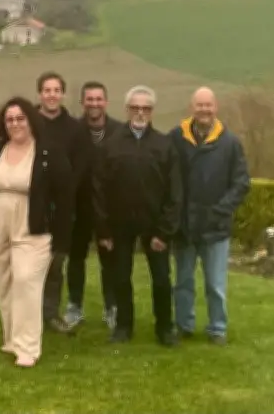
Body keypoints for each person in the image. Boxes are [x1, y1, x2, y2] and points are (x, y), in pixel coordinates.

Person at [0, 97, 73, 367]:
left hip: (34, 225)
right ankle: (12, 338)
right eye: (9, 119)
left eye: (20, 118)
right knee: (5, 279)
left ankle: (28, 347)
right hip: (0, 222)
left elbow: (65, 197)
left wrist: (62, 237)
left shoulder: (48, 152)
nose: (15, 124)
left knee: (25, 280)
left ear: (31, 120)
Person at [93, 85, 182, 346]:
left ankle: (164, 328)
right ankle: (123, 326)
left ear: (152, 111)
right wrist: (103, 230)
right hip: (119, 225)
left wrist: (165, 231)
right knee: (120, 278)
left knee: (162, 280)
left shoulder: (165, 145)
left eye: (145, 108)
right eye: (135, 108)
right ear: (127, 109)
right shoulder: (110, 145)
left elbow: (175, 192)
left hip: (155, 225)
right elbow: (98, 190)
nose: (140, 113)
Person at [170, 87, 250, 346]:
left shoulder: (230, 143)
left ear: (216, 107)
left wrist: (220, 211)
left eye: (208, 105)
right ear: (191, 107)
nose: (204, 110)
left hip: (216, 227)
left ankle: (217, 328)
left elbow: (241, 183)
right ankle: (184, 325)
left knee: (215, 284)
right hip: (184, 227)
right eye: (199, 105)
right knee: (183, 282)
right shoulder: (176, 138)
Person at [34, 71, 90, 334]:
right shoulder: (28, 123)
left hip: (64, 207)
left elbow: (80, 167)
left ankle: (50, 313)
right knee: (30, 264)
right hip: (32, 204)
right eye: (47, 90)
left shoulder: (76, 129)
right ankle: (27, 314)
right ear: (39, 94)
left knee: (56, 263)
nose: (52, 95)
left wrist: (64, 193)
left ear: (63, 94)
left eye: (56, 90)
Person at [64, 81, 121, 331]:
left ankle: (112, 308)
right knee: (76, 258)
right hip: (79, 206)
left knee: (110, 260)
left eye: (98, 99)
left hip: (109, 208)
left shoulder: (119, 132)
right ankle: (74, 307)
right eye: (89, 99)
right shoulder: (73, 132)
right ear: (82, 103)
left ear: (106, 102)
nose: (94, 104)